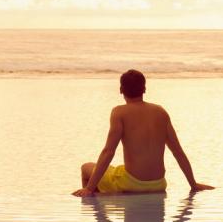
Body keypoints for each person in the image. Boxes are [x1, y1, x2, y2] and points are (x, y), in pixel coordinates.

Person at [72, 69, 214, 197]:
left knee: (86, 168)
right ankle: (110, 198)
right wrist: (193, 184)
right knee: (117, 171)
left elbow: (108, 152)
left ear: (121, 89)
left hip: (131, 183)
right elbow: (178, 151)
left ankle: (96, 201)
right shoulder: (160, 112)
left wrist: (90, 188)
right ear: (144, 89)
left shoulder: (119, 112)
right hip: (159, 184)